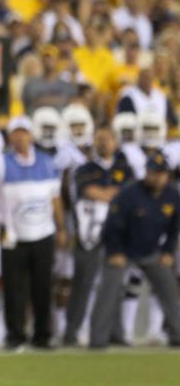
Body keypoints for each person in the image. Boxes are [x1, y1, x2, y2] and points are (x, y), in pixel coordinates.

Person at [88, 152, 180, 349]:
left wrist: (168, 251)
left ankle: (177, 335)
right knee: (109, 290)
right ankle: (98, 340)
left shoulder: (173, 196)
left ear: (167, 175)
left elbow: (175, 228)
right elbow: (111, 227)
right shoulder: (129, 194)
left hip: (151, 251)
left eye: (161, 173)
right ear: (146, 172)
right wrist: (114, 252)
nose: (157, 177)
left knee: (170, 288)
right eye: (153, 172)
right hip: (122, 249)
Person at [0, 116, 67, 350]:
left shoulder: (48, 163)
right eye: (15, 133)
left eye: (23, 132)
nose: (20, 137)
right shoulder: (2, 163)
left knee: (42, 287)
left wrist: (61, 227)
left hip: (43, 233)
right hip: (13, 235)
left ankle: (42, 335)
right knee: (14, 290)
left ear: (31, 135)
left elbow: (55, 198)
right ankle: (15, 334)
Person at [63, 125, 130, 346]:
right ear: (94, 141)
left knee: (115, 285)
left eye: (108, 138)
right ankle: (71, 332)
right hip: (89, 234)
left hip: (116, 235)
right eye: (100, 139)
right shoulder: (85, 168)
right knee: (82, 283)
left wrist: (105, 194)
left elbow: (130, 192)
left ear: (115, 142)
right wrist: (110, 194)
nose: (104, 143)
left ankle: (115, 332)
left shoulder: (124, 167)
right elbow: (87, 190)